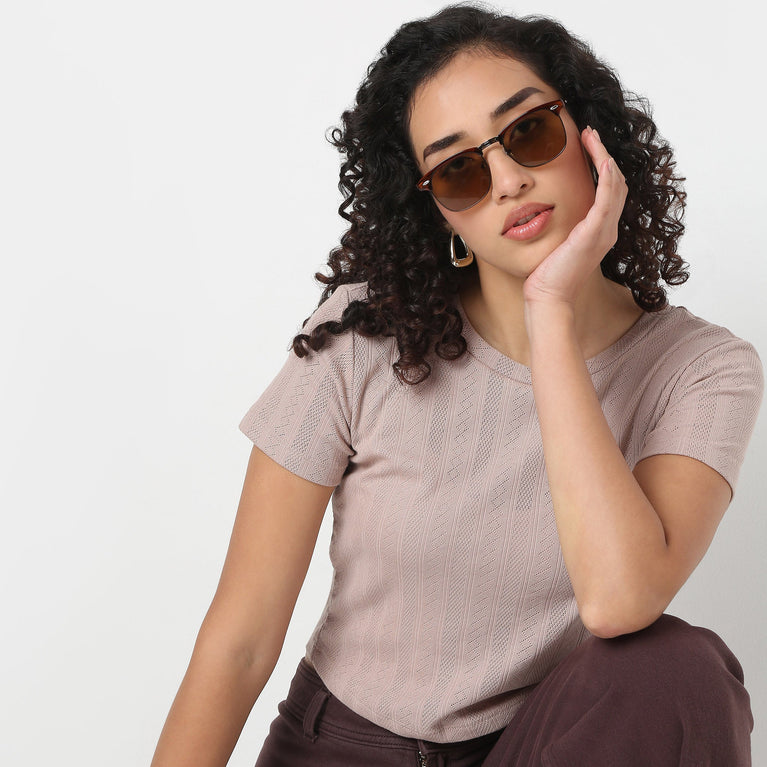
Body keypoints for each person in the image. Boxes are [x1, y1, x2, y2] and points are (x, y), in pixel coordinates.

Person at [151, 5, 763, 766]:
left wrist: (549, 311)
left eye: (529, 132)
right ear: (438, 210)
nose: (508, 181)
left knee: (676, 670)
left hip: (535, 751)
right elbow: (240, 641)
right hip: (342, 748)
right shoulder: (364, 336)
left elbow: (618, 600)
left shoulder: (700, 369)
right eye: (459, 170)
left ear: (590, 132)